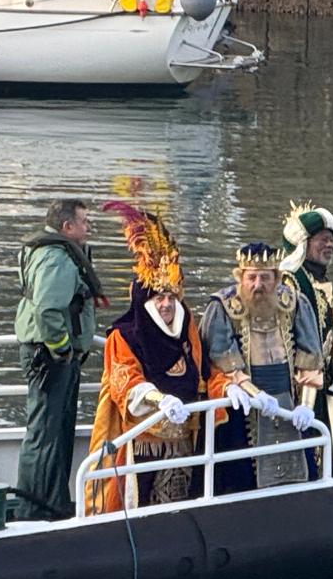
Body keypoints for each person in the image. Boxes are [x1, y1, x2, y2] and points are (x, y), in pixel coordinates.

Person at [85, 202, 227, 514]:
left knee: (175, 507)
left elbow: (206, 371)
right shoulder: (124, 336)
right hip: (140, 441)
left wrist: (231, 387)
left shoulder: (187, 327)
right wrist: (157, 397)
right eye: (159, 298)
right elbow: (124, 380)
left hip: (182, 442)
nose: (166, 305)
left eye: (172, 298)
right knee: (137, 505)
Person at [200, 241, 325, 491]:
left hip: (290, 407)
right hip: (243, 409)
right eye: (252, 277)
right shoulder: (222, 307)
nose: (258, 285)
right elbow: (223, 362)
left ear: (277, 278)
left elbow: (311, 356)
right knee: (239, 480)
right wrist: (256, 395)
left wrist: (307, 406)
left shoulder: (295, 303)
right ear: (241, 278)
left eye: (265, 277)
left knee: (301, 475)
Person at [13, 198, 106, 520]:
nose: (88, 227)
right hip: (50, 356)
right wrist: (63, 349)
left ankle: (51, 501)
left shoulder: (48, 252)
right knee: (46, 432)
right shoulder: (56, 259)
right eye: (84, 222)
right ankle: (34, 507)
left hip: (49, 354)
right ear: (68, 227)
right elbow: (49, 309)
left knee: (56, 429)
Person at [278, 201, 333, 386]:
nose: (330, 245)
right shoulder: (288, 282)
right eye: (323, 239)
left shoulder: (321, 282)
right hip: (296, 381)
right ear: (304, 243)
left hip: (319, 380)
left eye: (332, 240)